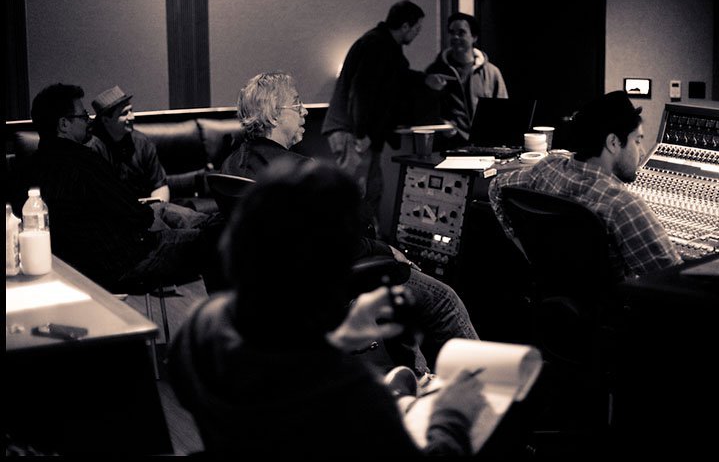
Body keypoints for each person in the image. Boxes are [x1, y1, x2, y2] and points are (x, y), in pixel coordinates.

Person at [168, 159, 486, 457]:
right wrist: (453, 415)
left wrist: (336, 342)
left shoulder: (202, 327)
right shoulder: (350, 392)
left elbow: (275, 377)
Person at [221, 72, 478, 375]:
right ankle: (483, 388)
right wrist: (387, 250)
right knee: (444, 299)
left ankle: (413, 377)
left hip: (276, 294)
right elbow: (336, 248)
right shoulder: (299, 174)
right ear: (275, 115)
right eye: (297, 104)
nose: (305, 112)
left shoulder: (231, 165)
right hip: (325, 285)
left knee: (398, 295)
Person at [14, 83, 214, 293]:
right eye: (83, 116)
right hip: (123, 263)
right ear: (64, 124)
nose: (88, 121)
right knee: (215, 240)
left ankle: (216, 223)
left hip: (75, 267)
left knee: (171, 213)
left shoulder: (27, 169)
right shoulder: (84, 161)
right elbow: (135, 215)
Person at [489, 90, 682, 280]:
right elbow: (675, 282)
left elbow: (496, 186)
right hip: (613, 302)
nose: (643, 152)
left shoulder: (548, 168)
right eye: (637, 141)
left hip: (551, 294)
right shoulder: (623, 206)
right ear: (613, 143)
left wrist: (524, 247)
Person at [321, 0, 452, 234]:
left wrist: (425, 79)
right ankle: (351, 245)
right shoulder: (377, 45)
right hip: (355, 132)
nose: (417, 33)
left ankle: (365, 241)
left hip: (357, 130)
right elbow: (362, 92)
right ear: (405, 25)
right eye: (417, 28)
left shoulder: (382, 44)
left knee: (370, 190)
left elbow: (394, 78)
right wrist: (363, 133)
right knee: (354, 193)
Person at [88, 85, 210, 230]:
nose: (132, 117)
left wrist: (154, 210)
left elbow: (160, 186)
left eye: (131, 110)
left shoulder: (142, 142)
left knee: (181, 217)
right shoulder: (92, 149)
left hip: (148, 211)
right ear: (106, 120)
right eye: (124, 113)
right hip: (116, 218)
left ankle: (213, 226)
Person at [425, 12, 508, 147]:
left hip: (484, 146)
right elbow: (426, 110)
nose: (455, 37)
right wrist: (441, 123)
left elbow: (504, 112)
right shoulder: (435, 72)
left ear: (474, 37)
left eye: (461, 32)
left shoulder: (492, 72)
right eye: (452, 32)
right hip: (448, 146)